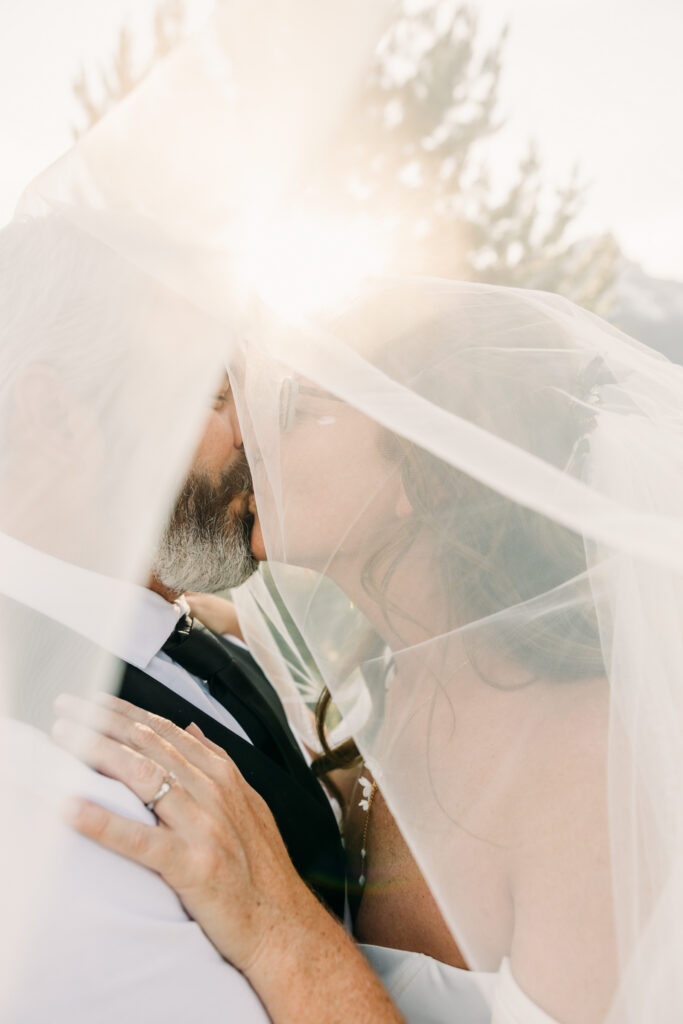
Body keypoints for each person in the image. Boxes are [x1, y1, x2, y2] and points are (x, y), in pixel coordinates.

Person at [55, 277, 683, 1024]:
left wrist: (281, 930)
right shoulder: (378, 688)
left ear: (426, 474)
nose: (249, 435)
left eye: (297, 410)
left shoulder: (590, 760)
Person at [0, 213, 348, 1023]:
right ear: (54, 420)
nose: (256, 434)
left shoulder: (195, 637)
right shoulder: (46, 782)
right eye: (214, 391)